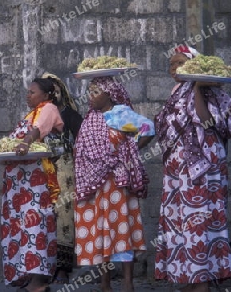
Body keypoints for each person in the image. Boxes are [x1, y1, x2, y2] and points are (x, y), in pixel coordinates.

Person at [154, 45, 231, 292]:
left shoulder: (213, 93)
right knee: (179, 223)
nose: (174, 69)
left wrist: (199, 87)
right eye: (171, 64)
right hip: (177, 171)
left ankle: (201, 281)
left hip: (203, 169)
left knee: (200, 222)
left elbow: (206, 121)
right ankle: (189, 278)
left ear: (193, 65)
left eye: (180, 63)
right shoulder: (176, 92)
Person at [74, 76, 154, 292]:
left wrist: (129, 150)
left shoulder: (120, 114)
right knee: (101, 231)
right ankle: (105, 283)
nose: (91, 97)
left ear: (109, 94)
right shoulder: (90, 118)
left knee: (121, 227)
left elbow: (148, 128)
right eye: (89, 92)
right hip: (94, 185)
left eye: (96, 92)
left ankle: (128, 282)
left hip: (117, 182)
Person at [1, 78, 64, 292]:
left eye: (33, 92)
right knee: (21, 227)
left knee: (35, 226)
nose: (28, 95)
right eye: (27, 92)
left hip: (36, 182)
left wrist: (25, 143)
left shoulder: (48, 108)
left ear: (46, 96)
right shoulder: (30, 114)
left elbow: (38, 130)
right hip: (20, 182)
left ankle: (39, 282)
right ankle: (26, 277)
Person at [41, 73, 83, 284]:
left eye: (56, 90)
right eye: (49, 90)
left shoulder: (71, 115)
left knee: (64, 216)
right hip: (42, 167)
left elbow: (84, 143)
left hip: (65, 168)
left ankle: (63, 268)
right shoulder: (37, 115)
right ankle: (42, 265)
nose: (53, 94)